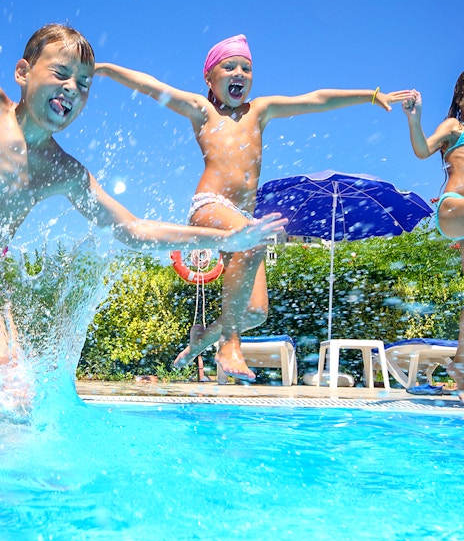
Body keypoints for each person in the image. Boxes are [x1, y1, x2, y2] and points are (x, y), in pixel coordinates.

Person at [95, 34, 411, 382]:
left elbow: (315, 99)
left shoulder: (259, 111)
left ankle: (205, 336)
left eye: (246, 67)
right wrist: (108, 70)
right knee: (252, 241)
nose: (239, 73)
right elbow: (153, 86)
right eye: (229, 66)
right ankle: (228, 344)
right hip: (210, 205)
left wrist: (370, 95)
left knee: (256, 311)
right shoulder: (202, 110)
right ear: (210, 78)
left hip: (242, 218)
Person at [0, 24, 286, 367]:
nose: (71, 88)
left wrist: (229, 237)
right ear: (22, 72)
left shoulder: (65, 171)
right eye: (60, 73)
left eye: (84, 83)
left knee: (17, 399)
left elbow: (135, 230)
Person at [402, 78, 464, 402]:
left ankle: (460, 366)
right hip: (454, 207)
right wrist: (415, 118)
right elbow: (424, 149)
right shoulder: (454, 125)